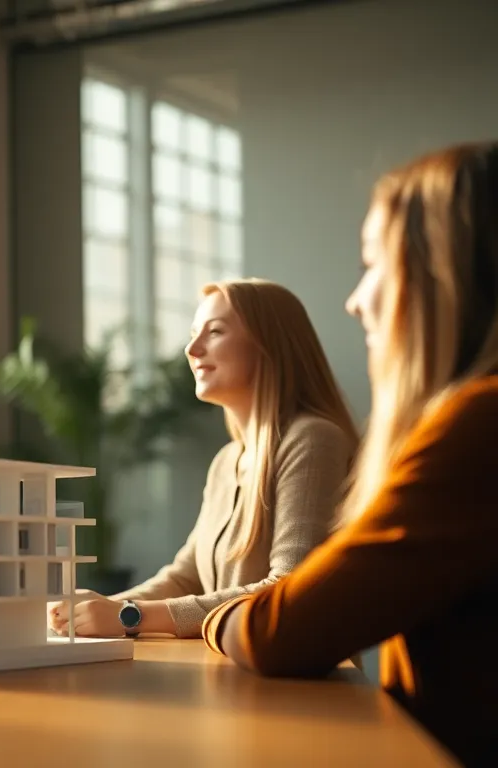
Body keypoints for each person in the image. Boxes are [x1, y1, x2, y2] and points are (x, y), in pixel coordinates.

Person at [203, 142, 498, 767]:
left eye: (373, 266)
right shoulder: (228, 459)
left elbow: (280, 627)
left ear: (438, 277)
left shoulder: (479, 427)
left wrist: (160, 619)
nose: (356, 299)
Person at [50, 278, 359, 639]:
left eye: (215, 332)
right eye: (193, 333)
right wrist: (97, 610)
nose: (192, 349)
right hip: (236, 678)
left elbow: (288, 589)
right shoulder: (227, 462)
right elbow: (185, 577)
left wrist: (128, 616)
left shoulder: (312, 440)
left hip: (299, 689)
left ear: (270, 345)